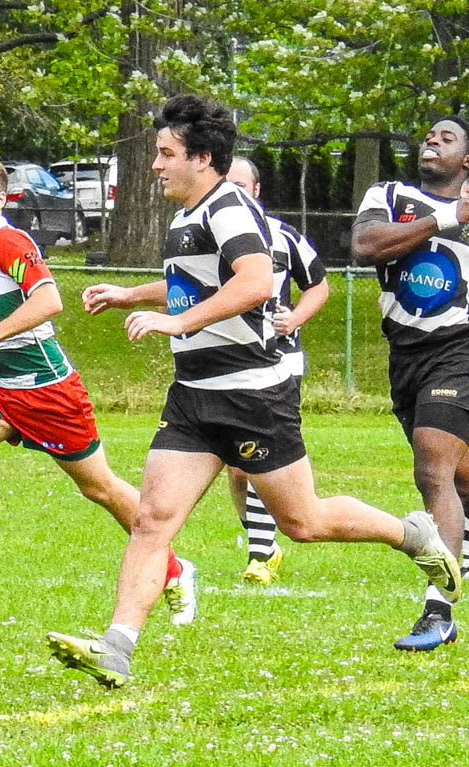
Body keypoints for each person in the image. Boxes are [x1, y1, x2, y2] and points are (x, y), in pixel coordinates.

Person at [47, 95, 459, 688]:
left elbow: (256, 281)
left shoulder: (229, 207)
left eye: (167, 154)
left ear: (204, 158)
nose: (156, 166)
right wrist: (133, 296)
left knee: (304, 521)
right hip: (193, 396)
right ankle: (116, 647)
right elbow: (193, 288)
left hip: (251, 396)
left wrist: (176, 324)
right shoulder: (188, 214)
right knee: (151, 520)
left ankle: (410, 532)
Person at [0, 151, 195, 616]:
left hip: (47, 389)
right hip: (1, 386)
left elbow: (48, 300)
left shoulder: (7, 241)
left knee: (100, 488)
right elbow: (1, 323)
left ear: (0, 198)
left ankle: (173, 567)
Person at [351, 115, 469, 651]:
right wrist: (448, 217)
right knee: (462, 484)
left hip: (461, 348)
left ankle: (437, 610)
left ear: (466, 159)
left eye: (447, 138)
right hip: (406, 354)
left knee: (432, 466)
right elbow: (368, 246)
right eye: (429, 135)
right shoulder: (389, 194)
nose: (432, 141)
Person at [221, 157, 330, 586]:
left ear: (257, 190)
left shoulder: (283, 236)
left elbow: (319, 285)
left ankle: (260, 555)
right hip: (226, 368)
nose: (234, 192)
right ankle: (265, 539)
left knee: (256, 462)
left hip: (278, 365)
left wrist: (297, 318)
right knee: (237, 471)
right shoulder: (209, 235)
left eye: (242, 185)